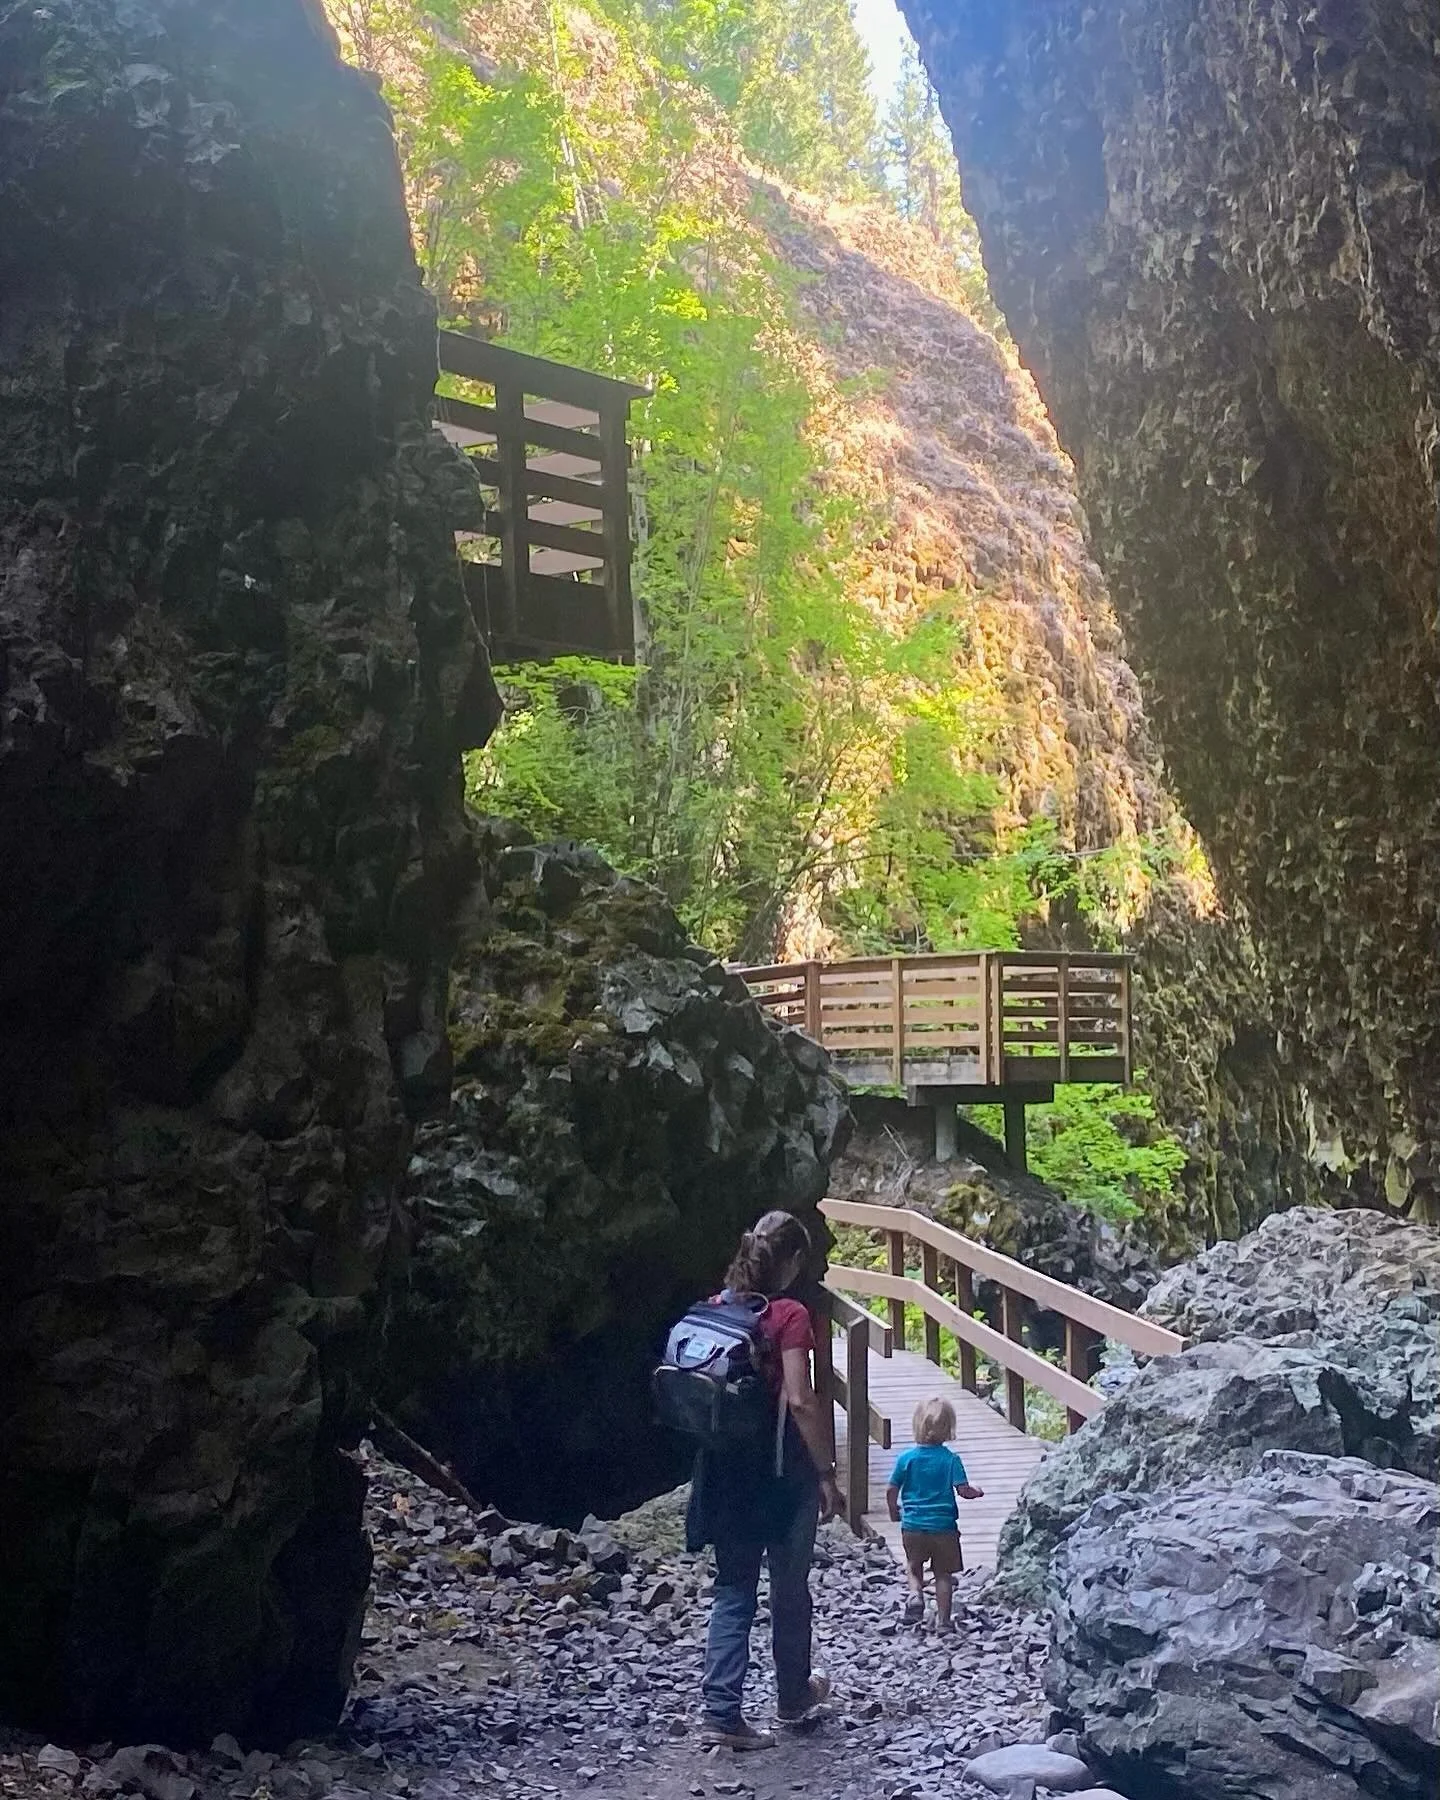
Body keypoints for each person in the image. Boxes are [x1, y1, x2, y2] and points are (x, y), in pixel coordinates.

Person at [686, 1209, 846, 1751]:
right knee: (788, 1590)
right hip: (779, 1476)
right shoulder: (788, 1315)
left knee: (732, 1589)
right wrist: (826, 1471)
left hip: (721, 1472)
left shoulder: (715, 1308)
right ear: (793, 1261)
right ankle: (793, 1696)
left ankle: (721, 1712)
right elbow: (800, 1399)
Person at [886, 1396, 984, 1632]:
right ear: (949, 1429)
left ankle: (915, 1594)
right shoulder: (951, 1460)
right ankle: (943, 1622)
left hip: (913, 1525)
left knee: (913, 1565)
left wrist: (893, 1510)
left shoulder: (905, 1459)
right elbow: (963, 1490)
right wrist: (977, 1491)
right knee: (943, 1574)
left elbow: (891, 1489)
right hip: (944, 1527)